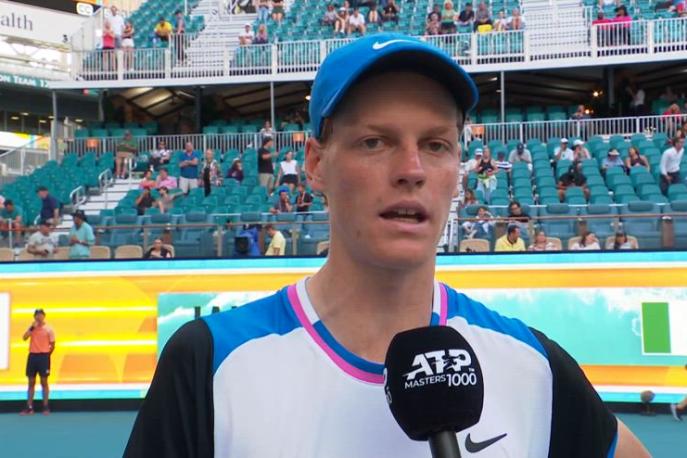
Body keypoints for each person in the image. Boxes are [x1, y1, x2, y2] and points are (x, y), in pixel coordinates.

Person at [124, 33, 648, 458]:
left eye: (436, 144)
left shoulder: (531, 364)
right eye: (375, 142)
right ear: (314, 164)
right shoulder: (211, 361)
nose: (412, 170)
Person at [20, 309, 55, 416]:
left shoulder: (49, 329)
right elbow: (24, 338)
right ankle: (29, 408)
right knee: (31, 382)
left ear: (44, 316)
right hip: (32, 356)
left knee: (44, 382)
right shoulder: (32, 328)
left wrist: (46, 355)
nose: (38, 317)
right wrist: (31, 328)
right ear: (34, 317)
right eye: (37, 315)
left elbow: (52, 344)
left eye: (40, 315)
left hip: (43, 357)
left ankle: (45, 407)